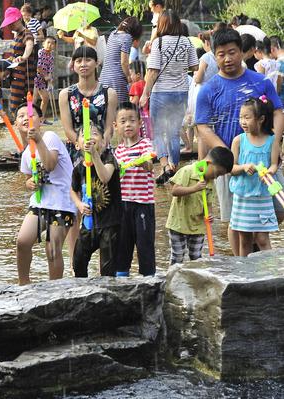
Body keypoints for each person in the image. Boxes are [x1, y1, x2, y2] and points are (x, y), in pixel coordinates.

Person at [195, 28, 284, 255]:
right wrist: (225, 154)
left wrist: (274, 144)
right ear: (214, 56)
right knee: (235, 220)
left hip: (263, 157)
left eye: (232, 52)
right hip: (229, 162)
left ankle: (260, 256)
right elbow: (202, 125)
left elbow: (278, 111)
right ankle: (240, 269)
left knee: (278, 209)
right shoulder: (208, 89)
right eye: (221, 54)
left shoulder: (260, 81)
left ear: (241, 52)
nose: (227, 59)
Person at [15, 103, 76, 285]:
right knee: (22, 242)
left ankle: (54, 289)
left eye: (30, 114)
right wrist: (29, 183)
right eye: (20, 116)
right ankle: (23, 285)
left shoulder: (49, 137)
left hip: (63, 202)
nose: (26, 117)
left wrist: (39, 140)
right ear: (16, 124)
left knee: (53, 248)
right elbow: (27, 178)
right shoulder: (26, 152)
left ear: (40, 120)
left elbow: (50, 165)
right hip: (40, 203)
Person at [140, 9, 199, 184]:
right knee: (173, 133)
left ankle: (165, 165)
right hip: (181, 92)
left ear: (162, 24)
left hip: (161, 93)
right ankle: (174, 168)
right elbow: (194, 67)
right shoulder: (187, 42)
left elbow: (152, 71)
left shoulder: (158, 43)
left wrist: (145, 93)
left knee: (157, 131)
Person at [229, 97, 279, 256]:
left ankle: (270, 272)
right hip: (243, 197)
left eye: (247, 117)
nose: (242, 121)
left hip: (262, 196)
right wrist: (243, 167)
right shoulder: (238, 141)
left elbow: (274, 164)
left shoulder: (272, 141)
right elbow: (231, 168)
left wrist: (270, 171)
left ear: (261, 119)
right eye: (240, 117)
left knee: (263, 239)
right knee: (245, 240)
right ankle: (245, 275)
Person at [166, 147, 234, 264]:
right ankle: (173, 280)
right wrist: (195, 188)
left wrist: (210, 214)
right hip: (179, 224)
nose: (216, 177)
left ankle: (194, 280)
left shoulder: (210, 182)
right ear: (208, 163)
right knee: (177, 257)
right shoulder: (187, 171)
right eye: (217, 173)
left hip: (198, 225)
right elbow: (175, 191)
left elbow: (209, 202)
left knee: (196, 257)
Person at [71, 125, 121, 277]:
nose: (90, 137)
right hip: (89, 223)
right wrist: (79, 205)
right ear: (77, 144)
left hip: (111, 223)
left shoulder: (110, 159)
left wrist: (94, 155)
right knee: (78, 261)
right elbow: (72, 190)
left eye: (94, 134)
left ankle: (107, 296)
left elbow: (104, 177)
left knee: (107, 268)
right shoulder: (79, 169)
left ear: (103, 142)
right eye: (84, 135)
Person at [113, 102, 156, 277]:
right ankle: (122, 277)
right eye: (123, 121)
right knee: (123, 244)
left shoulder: (145, 144)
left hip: (143, 204)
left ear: (140, 123)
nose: (128, 124)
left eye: (132, 120)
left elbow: (149, 164)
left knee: (145, 245)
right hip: (123, 205)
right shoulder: (118, 151)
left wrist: (143, 162)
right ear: (116, 126)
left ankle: (149, 280)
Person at [59, 46, 117, 164]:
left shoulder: (109, 93)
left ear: (96, 63)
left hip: (101, 147)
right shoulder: (66, 95)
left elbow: (109, 128)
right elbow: (68, 130)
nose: (83, 64)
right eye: (79, 61)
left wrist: (101, 144)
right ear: (73, 66)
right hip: (77, 149)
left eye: (88, 60)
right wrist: (82, 145)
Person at [0, 7, 37, 117]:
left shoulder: (27, 33)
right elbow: (13, 56)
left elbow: (29, 45)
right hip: (15, 76)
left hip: (25, 77)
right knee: (14, 106)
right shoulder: (17, 36)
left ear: (19, 19)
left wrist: (24, 57)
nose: (10, 25)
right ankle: (18, 126)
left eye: (12, 22)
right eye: (9, 23)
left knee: (26, 104)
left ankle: (30, 125)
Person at [100, 17, 143, 103]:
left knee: (106, 107)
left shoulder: (113, 34)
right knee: (120, 108)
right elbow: (124, 62)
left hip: (104, 78)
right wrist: (128, 77)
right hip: (117, 79)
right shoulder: (127, 37)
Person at [34, 36, 56, 117]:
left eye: (52, 43)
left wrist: (50, 80)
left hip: (42, 80)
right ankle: (29, 118)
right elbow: (38, 67)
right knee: (33, 99)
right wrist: (46, 76)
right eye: (48, 42)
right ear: (43, 44)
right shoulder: (40, 52)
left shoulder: (51, 56)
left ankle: (41, 118)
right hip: (35, 78)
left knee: (45, 98)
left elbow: (50, 69)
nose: (50, 45)